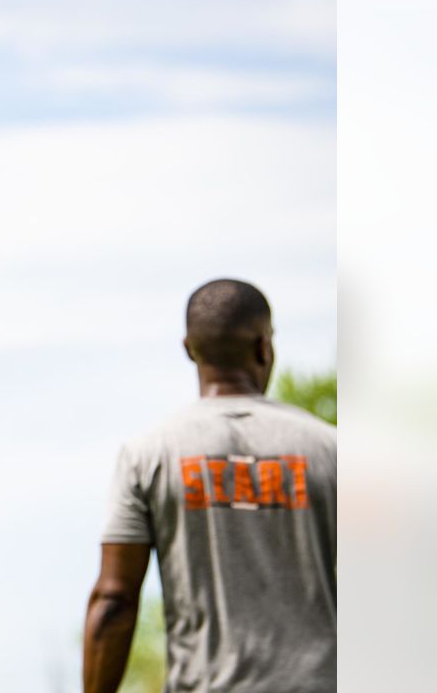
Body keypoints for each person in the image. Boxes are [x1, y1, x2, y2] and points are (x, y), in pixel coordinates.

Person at [82, 279, 336, 693]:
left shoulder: (149, 454)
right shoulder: (331, 449)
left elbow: (114, 600)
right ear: (263, 348)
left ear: (189, 350)